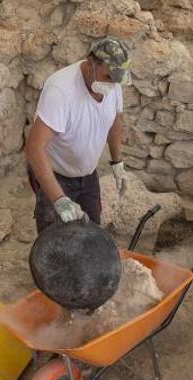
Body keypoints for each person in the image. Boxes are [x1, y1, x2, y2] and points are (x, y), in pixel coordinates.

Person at [25, 36, 132, 233]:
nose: (112, 85)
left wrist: (118, 163)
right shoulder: (61, 90)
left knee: (91, 235)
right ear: (91, 62)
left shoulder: (113, 83)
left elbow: (115, 121)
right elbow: (34, 148)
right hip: (56, 175)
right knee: (55, 239)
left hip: (87, 174)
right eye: (108, 77)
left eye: (118, 80)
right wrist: (59, 199)